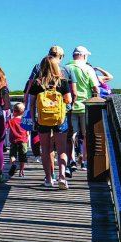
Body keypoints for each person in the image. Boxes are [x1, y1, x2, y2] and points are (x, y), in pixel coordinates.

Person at [29, 56, 74, 190]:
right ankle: (62, 177)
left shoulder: (37, 83)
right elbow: (69, 100)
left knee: (46, 149)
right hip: (59, 119)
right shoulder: (62, 82)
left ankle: (48, 179)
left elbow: (31, 104)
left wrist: (33, 120)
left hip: (42, 120)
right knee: (61, 150)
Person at [64, 46, 101, 167]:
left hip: (69, 106)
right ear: (84, 56)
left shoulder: (65, 68)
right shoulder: (88, 68)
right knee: (86, 135)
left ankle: (71, 159)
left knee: (71, 135)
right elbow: (96, 88)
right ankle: (84, 160)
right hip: (86, 105)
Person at [6, 102, 29, 178]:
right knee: (23, 157)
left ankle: (13, 164)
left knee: (12, 155)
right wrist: (27, 139)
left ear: (14, 112)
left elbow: (5, 127)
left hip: (14, 141)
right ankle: (21, 171)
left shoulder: (11, 121)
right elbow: (27, 132)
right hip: (23, 141)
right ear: (23, 112)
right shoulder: (24, 120)